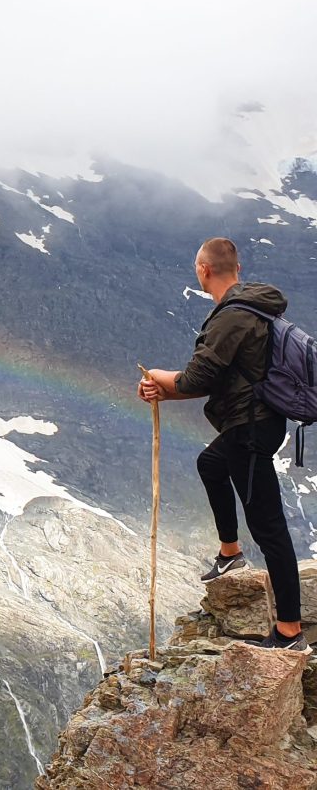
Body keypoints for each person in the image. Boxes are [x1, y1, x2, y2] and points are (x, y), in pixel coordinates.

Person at [139, 237, 308, 652]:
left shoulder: (231, 317)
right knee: (210, 464)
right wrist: (164, 392)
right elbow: (219, 380)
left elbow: (197, 379)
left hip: (248, 430)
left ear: (203, 270)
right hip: (256, 424)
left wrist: (161, 376)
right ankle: (230, 552)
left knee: (270, 530)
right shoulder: (254, 309)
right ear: (238, 267)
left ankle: (290, 633)